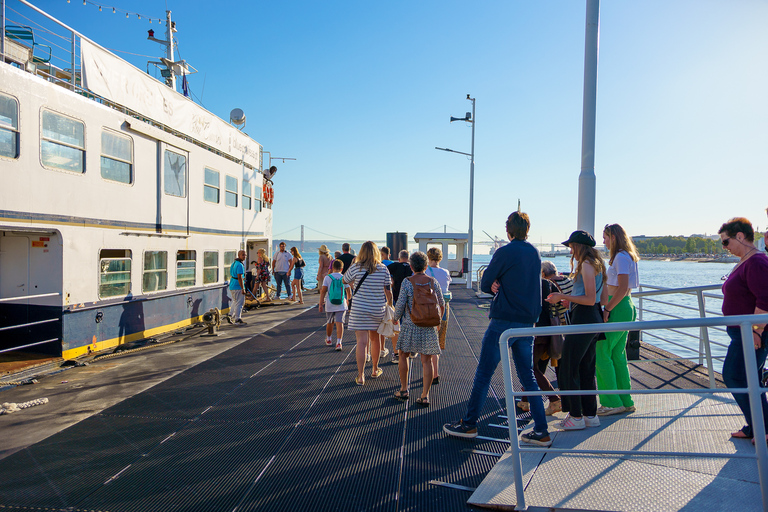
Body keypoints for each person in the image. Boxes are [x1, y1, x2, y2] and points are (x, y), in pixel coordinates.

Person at [444, 211, 551, 447]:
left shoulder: (505, 251)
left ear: (508, 230)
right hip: (527, 322)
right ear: (527, 229)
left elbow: (484, 282)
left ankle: (469, 423)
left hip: (504, 321)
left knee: (484, 374)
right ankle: (542, 431)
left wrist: (497, 283)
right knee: (528, 376)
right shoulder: (534, 252)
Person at [546, 230, 607, 431]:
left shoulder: (587, 265)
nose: (570, 250)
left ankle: (575, 416)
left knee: (569, 366)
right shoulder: (598, 265)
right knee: (586, 369)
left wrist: (562, 297)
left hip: (584, 317)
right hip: (594, 318)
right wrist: (572, 300)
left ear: (578, 246)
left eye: (572, 246)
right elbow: (601, 300)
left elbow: (588, 299)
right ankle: (590, 414)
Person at [718, 217, 768, 443]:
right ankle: (756, 426)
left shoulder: (756, 262)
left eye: (725, 242)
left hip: (751, 332)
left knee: (733, 375)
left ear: (739, 236)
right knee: (751, 380)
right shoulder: (746, 259)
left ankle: (762, 428)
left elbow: (765, 299)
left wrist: (756, 331)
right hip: (741, 331)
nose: (724, 248)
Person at [596, 223, 640, 416]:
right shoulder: (626, 256)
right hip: (625, 306)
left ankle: (611, 402)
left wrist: (607, 308)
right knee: (617, 355)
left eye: (605, 237)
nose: (603, 241)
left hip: (617, 305)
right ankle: (625, 400)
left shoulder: (620, 257)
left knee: (602, 352)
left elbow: (622, 288)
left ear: (613, 237)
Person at [394, 251, 445, 406]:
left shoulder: (407, 282)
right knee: (427, 360)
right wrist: (437, 323)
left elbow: (400, 305)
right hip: (429, 326)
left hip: (410, 325)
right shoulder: (432, 281)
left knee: (403, 355)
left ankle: (404, 390)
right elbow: (441, 303)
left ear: (411, 266)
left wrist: (395, 319)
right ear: (425, 265)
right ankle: (424, 396)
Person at [343, 241, 393, 385]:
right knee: (375, 340)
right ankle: (375, 369)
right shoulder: (383, 269)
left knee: (361, 342)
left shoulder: (356, 267)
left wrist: (353, 286)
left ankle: (360, 376)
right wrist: (390, 306)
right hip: (376, 309)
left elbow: (344, 280)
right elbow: (388, 291)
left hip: (359, 309)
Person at [518, 262, 562, 415]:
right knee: (537, 367)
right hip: (549, 330)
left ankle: (554, 399)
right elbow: (562, 304)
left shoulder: (526, 285)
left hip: (534, 331)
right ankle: (525, 401)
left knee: (531, 369)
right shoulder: (549, 284)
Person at [426, 247, 452, 384]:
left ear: (428, 258)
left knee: (427, 342)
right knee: (438, 341)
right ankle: (436, 373)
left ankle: (428, 371)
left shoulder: (425, 272)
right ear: (440, 258)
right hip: (443, 309)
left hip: (429, 309)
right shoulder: (445, 272)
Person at [319, 259, 351, 351]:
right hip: (341, 304)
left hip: (330, 304)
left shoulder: (328, 278)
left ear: (332, 268)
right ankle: (339, 343)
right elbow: (349, 291)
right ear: (342, 268)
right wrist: (348, 300)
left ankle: (329, 339)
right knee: (339, 322)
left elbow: (323, 291)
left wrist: (321, 304)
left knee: (330, 322)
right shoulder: (344, 277)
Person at [387, 250, 412, 364]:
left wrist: (391, 280)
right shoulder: (412, 267)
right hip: (411, 300)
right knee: (410, 324)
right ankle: (411, 349)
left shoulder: (395, 266)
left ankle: (397, 354)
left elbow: (384, 271)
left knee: (397, 325)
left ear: (399, 258)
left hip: (397, 298)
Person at [228, 250, 247, 325]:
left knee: (235, 301)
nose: (244, 256)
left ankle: (230, 315)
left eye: (245, 255)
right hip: (237, 286)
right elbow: (240, 277)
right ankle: (237, 318)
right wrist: (243, 288)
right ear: (239, 255)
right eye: (243, 255)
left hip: (232, 285)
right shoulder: (240, 265)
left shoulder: (234, 263)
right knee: (240, 303)